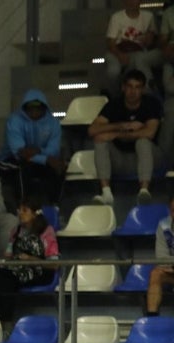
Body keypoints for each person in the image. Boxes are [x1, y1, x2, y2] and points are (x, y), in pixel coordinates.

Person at [89, 69, 162, 206]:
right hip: (121, 159)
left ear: (143, 89)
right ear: (123, 87)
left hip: (150, 158)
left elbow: (149, 133)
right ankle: (106, 192)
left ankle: (144, 191)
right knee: (99, 139)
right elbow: (93, 130)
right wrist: (122, 125)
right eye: (129, 86)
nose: (133, 91)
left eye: (137, 87)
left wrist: (115, 134)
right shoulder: (114, 105)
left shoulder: (151, 104)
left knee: (143, 142)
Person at [0, 90, 65, 208]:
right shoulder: (14, 121)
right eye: (30, 107)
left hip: (37, 159)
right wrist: (46, 159)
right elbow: (19, 152)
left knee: (59, 167)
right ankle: (23, 207)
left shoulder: (53, 123)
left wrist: (39, 151)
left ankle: (54, 206)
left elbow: (54, 149)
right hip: (9, 160)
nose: (34, 111)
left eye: (38, 107)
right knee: (22, 167)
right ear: (25, 107)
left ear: (44, 108)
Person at [0, 195, 60, 320]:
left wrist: (29, 259)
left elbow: (54, 264)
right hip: (17, 268)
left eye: (24, 210)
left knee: (7, 280)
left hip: (40, 271)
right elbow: (9, 254)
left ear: (34, 214)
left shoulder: (47, 232)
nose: (20, 213)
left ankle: (4, 320)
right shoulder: (15, 231)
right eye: (19, 210)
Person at [105, 0, 160, 88]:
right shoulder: (116, 17)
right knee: (113, 71)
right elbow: (111, 43)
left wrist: (149, 39)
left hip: (138, 51)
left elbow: (153, 39)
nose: (131, 2)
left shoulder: (149, 16)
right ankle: (113, 96)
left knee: (139, 61)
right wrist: (120, 55)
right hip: (117, 50)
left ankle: (148, 92)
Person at [146, 193, 174, 315]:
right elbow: (161, 258)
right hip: (172, 270)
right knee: (155, 273)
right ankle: (152, 318)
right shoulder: (163, 225)